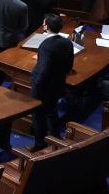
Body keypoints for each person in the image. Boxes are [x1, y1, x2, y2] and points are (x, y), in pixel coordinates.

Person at [29, 13, 74, 152]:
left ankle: (39, 142)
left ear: (46, 26)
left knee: (38, 114)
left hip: (43, 88)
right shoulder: (67, 42)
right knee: (51, 111)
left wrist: (36, 84)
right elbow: (68, 67)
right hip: (58, 84)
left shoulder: (46, 45)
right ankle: (55, 138)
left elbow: (43, 70)